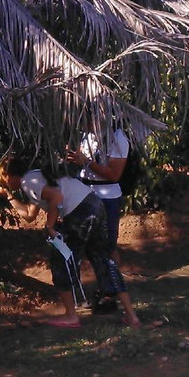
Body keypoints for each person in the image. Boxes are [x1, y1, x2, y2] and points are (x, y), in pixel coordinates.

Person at [0, 155, 140, 329]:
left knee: (60, 261)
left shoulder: (28, 182)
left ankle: (71, 315)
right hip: (94, 206)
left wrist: (50, 226)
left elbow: (57, 198)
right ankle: (131, 315)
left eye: (4, 181)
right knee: (104, 260)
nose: (5, 184)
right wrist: (8, 196)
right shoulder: (37, 177)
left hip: (79, 213)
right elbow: (30, 215)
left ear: (8, 175)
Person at [66, 124, 130, 314]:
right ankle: (104, 289)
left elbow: (114, 174)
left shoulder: (118, 137)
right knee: (88, 246)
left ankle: (113, 291)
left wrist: (85, 162)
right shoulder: (86, 133)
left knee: (108, 245)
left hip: (107, 196)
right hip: (84, 193)